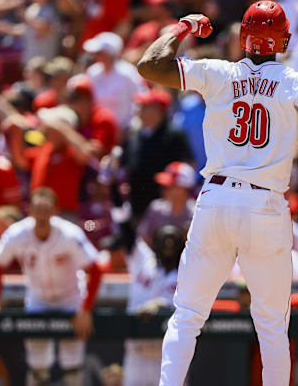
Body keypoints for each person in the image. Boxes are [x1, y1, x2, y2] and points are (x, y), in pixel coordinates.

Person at [136, 0, 298, 385]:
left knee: (187, 315)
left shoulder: (218, 72)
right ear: (284, 40)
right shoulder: (295, 81)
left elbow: (150, 65)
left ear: (243, 37)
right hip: (265, 204)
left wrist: (183, 27)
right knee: (271, 325)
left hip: (216, 199)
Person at [0, 188, 103, 386]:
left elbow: (95, 269)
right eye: (37, 210)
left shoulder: (69, 234)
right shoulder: (17, 233)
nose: (42, 216)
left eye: (46, 210)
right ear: (29, 211)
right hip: (37, 300)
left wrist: (85, 310)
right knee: (38, 366)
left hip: (70, 300)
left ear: (55, 211)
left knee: (73, 366)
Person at [124, 225, 185, 386]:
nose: (168, 246)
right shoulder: (142, 260)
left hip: (169, 357)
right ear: (154, 243)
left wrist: (160, 304)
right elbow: (125, 227)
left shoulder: (188, 272)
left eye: (173, 242)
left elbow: (189, 308)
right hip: (137, 354)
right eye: (164, 241)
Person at [122, 89, 193, 219]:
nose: (139, 110)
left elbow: (186, 168)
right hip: (137, 206)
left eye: (144, 107)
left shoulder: (173, 135)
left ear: (158, 110)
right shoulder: (135, 134)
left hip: (165, 211)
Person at [84, 32, 148, 130]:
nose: (96, 56)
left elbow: (141, 98)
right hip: (98, 128)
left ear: (109, 54)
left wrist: (129, 126)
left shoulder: (128, 73)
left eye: (100, 53)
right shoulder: (92, 72)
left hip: (125, 130)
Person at [137, 161, 196, 249]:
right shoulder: (156, 208)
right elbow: (143, 238)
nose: (164, 190)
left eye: (170, 186)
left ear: (183, 188)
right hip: (158, 261)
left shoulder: (196, 213)